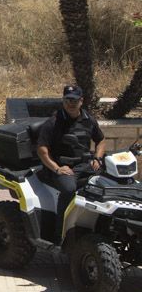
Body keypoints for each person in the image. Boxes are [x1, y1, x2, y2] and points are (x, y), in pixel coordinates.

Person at [37, 85, 106, 240]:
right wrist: (56, 168)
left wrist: (97, 158)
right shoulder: (53, 122)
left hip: (85, 165)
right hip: (63, 168)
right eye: (68, 100)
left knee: (108, 182)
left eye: (74, 100)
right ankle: (61, 232)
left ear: (81, 101)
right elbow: (42, 150)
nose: (71, 103)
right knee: (68, 189)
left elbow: (101, 140)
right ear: (63, 101)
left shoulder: (89, 120)